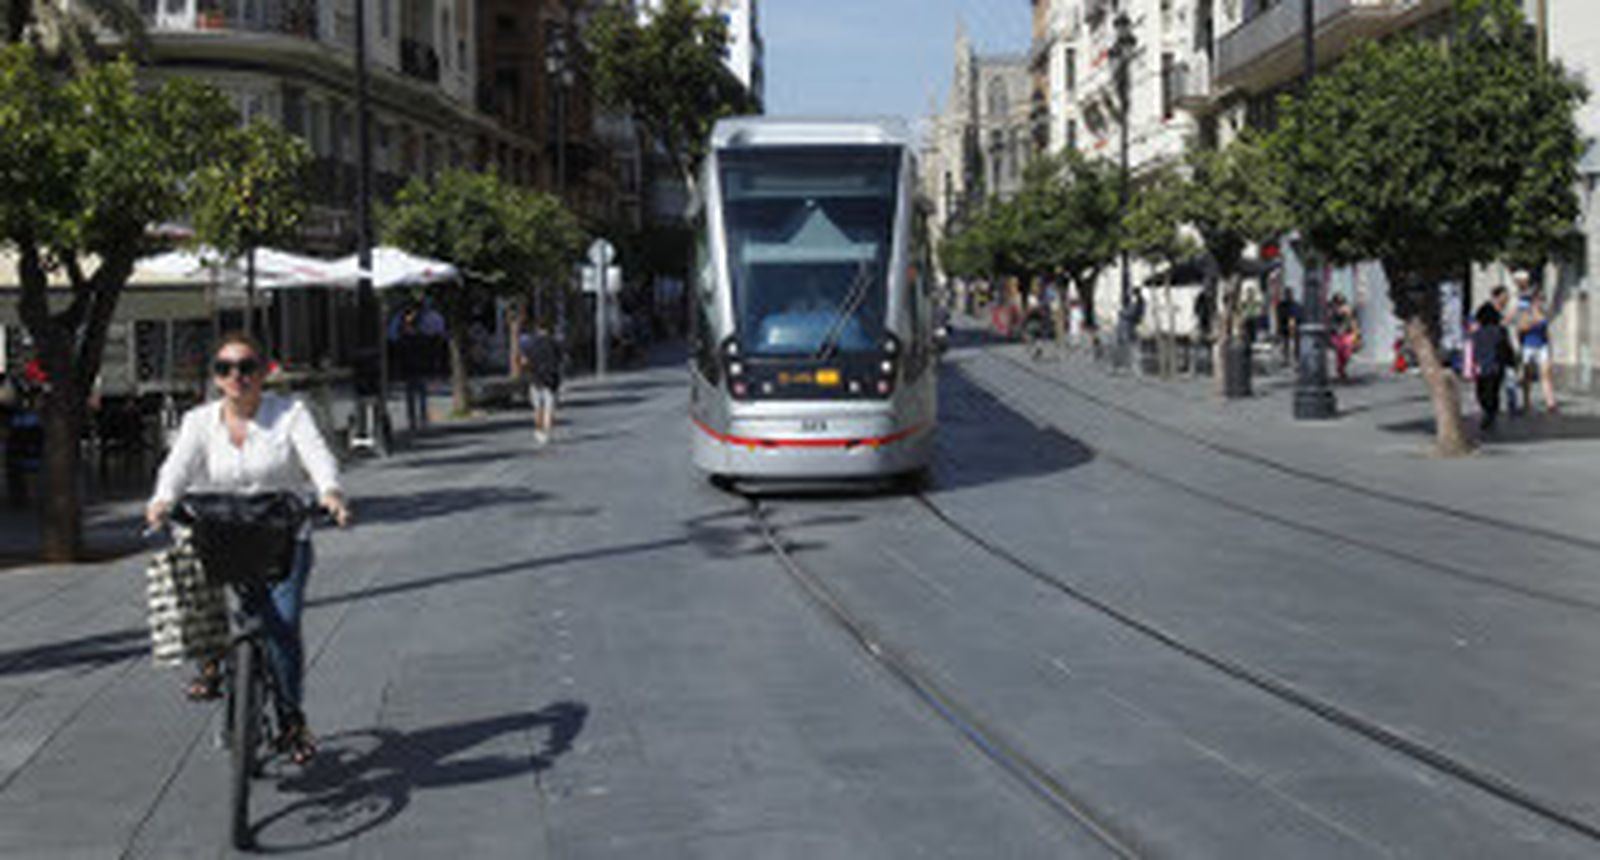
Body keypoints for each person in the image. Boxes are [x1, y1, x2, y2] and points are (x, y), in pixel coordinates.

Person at [145, 331, 350, 766]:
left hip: (280, 538)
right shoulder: (199, 421)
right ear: (216, 377)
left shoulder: (291, 413)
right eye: (225, 368)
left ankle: (292, 718)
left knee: (283, 625)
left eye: (246, 367)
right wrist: (162, 500)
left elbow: (317, 456)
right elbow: (177, 466)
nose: (236, 376)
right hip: (222, 535)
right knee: (187, 567)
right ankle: (213, 659)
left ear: (264, 372)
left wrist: (330, 493)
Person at [1471, 287, 1516, 432]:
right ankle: (1489, 412)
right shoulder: (1489, 315)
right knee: (1488, 387)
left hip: (1492, 358)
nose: (1506, 300)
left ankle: (1489, 413)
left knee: (1489, 387)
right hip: (1491, 357)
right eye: (1505, 297)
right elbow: (1503, 344)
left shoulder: (1487, 327)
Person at [1516, 286, 1559, 414]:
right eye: (1539, 299)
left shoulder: (1544, 312)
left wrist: (1550, 347)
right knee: (1527, 375)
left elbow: (1546, 330)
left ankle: (1550, 402)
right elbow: (1520, 329)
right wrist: (1532, 322)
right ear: (1533, 300)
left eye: (1542, 299)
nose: (1541, 301)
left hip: (1542, 345)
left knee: (1546, 374)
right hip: (1529, 346)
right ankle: (1526, 402)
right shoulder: (1526, 312)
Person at [518, 321, 561, 446]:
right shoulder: (554, 343)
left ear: (537, 329)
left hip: (535, 379)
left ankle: (538, 430)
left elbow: (524, 361)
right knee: (550, 408)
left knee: (538, 407)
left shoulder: (530, 344)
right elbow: (560, 360)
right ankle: (547, 432)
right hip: (551, 380)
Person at [393, 306, 432, 433]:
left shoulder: (415, 333)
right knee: (414, 394)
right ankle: (415, 420)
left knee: (420, 393)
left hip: (416, 365)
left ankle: (421, 419)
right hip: (411, 366)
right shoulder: (404, 335)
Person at [1328, 294, 1360, 382]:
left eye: (1341, 302)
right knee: (1339, 352)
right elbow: (1328, 322)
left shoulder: (1348, 309)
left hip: (1347, 334)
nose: (1339, 304)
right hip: (1335, 334)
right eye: (1337, 302)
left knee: (1347, 353)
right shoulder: (1331, 310)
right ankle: (1340, 370)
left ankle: (1341, 368)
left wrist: (1356, 333)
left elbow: (1353, 322)